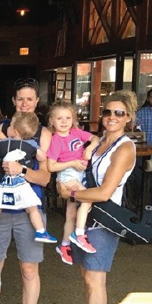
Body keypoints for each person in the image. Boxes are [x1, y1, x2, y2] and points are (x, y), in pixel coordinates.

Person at [57, 91, 137, 304]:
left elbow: (104, 192)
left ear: (129, 117)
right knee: (86, 275)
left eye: (119, 113)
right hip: (86, 214)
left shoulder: (125, 147)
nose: (111, 117)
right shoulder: (101, 141)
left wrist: (72, 194)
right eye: (107, 112)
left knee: (95, 278)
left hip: (103, 218)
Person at [0, 78, 52, 304]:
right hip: (0, 208)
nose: (25, 103)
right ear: (13, 101)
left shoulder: (43, 134)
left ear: (36, 103)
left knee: (28, 269)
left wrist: (22, 171)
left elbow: (46, 178)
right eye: (20, 98)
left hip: (29, 209)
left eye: (30, 99)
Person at [46, 102, 100, 265]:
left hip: (79, 174)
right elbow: (51, 166)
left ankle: (64, 245)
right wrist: (72, 163)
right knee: (88, 199)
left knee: (70, 214)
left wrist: (90, 148)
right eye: (59, 118)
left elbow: (95, 138)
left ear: (73, 119)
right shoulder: (56, 140)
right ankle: (79, 233)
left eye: (68, 118)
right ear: (52, 121)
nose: (64, 121)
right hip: (68, 175)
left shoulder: (76, 132)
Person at [0, 112, 53, 242]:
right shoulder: (31, 144)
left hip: (4, 184)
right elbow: (42, 156)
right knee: (32, 208)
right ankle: (41, 231)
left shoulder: (2, 143)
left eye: (10, 125)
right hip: (21, 185)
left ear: (14, 131)